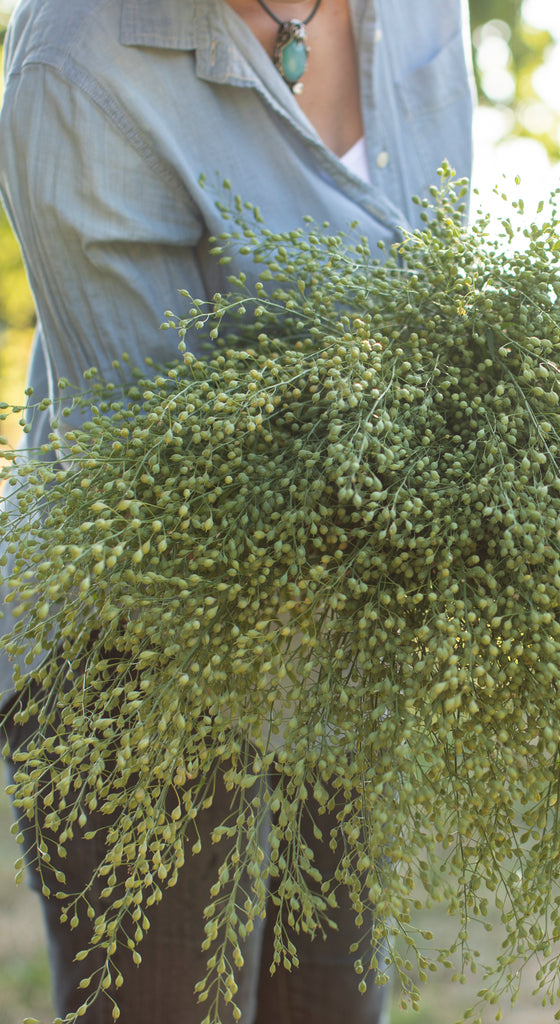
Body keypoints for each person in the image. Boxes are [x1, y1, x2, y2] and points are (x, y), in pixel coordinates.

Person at [0, 0, 474, 1020]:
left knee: (334, 1004)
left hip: (344, 635)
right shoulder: (80, 57)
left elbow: (431, 290)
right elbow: (163, 473)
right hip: (135, 656)